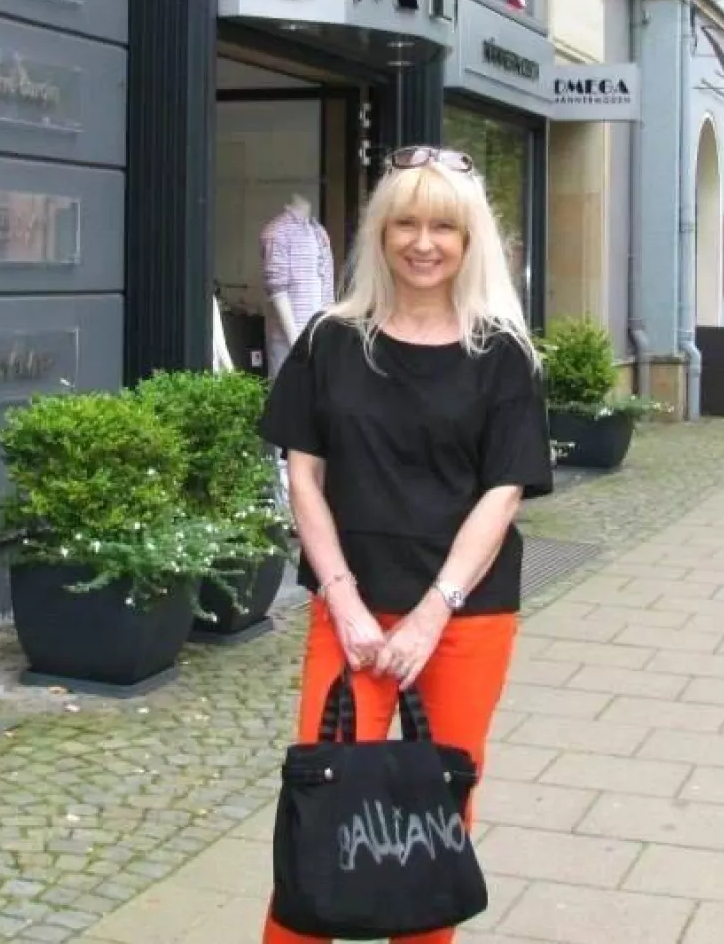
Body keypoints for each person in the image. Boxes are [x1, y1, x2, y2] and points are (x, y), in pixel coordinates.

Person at [259, 145, 553, 944]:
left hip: (464, 619)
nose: (424, 243)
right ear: (380, 232)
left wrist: (430, 614)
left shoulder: (503, 354)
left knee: (434, 812)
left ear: (469, 240)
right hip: (348, 611)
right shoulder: (329, 340)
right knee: (322, 805)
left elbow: (503, 492)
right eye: (406, 224)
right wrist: (345, 600)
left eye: (443, 227)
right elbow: (304, 476)